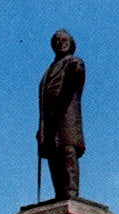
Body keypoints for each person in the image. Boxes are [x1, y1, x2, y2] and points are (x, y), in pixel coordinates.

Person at [37, 29, 86, 200]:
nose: (60, 43)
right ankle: (59, 192)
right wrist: (41, 127)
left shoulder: (73, 62)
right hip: (49, 121)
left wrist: (76, 68)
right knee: (53, 156)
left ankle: (71, 191)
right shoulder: (48, 72)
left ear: (71, 43)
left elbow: (77, 75)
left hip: (66, 118)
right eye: (56, 40)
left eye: (64, 39)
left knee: (67, 152)